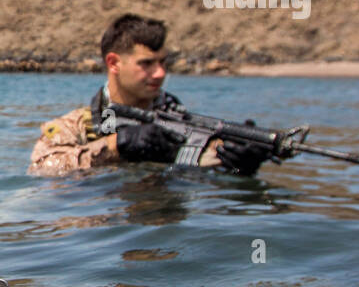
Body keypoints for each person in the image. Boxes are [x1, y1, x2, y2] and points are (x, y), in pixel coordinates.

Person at [29, 14, 271, 176]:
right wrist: (117, 145)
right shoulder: (77, 126)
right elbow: (40, 170)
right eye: (146, 64)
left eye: (163, 62)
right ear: (114, 63)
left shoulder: (182, 123)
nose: (160, 73)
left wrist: (241, 162)